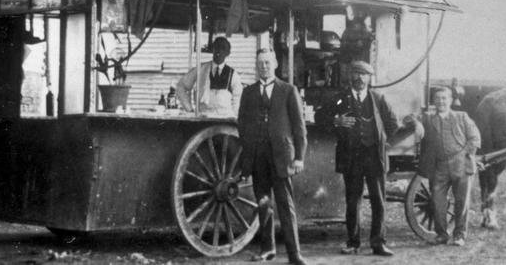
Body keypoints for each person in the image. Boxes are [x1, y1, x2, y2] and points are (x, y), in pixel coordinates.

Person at [316, 60, 422, 256]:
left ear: (369, 78)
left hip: (374, 157)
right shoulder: (341, 99)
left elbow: (392, 125)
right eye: (356, 73)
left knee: (378, 201)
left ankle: (378, 243)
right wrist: (335, 121)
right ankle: (353, 242)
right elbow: (319, 117)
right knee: (352, 201)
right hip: (351, 157)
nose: (359, 78)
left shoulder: (378, 99)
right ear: (350, 76)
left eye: (363, 74)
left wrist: (383, 142)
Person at [238, 48, 308, 265]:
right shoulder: (248, 92)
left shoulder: (288, 90)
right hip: (258, 158)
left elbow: (299, 127)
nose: (264, 67)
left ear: (275, 64)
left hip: (282, 158)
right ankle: (267, 250)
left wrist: (299, 157)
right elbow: (242, 124)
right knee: (263, 204)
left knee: (286, 207)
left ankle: (294, 254)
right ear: (256, 66)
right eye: (260, 63)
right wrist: (251, 145)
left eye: (267, 63)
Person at [417, 86, 481, 246]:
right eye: (438, 98)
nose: (441, 101)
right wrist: (415, 122)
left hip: (461, 164)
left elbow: (475, 138)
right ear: (433, 101)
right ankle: (442, 235)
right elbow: (411, 117)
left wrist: (465, 154)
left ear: (451, 100)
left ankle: (459, 235)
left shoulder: (462, 116)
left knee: (461, 202)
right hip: (439, 166)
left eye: (444, 98)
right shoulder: (428, 119)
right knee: (437, 202)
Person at [176, 36, 242, 115]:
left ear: (227, 53)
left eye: (223, 48)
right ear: (212, 50)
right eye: (216, 47)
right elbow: (181, 86)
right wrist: (189, 109)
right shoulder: (201, 69)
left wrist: (233, 117)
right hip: (203, 117)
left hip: (225, 119)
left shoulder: (233, 75)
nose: (219, 51)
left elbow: (238, 99)